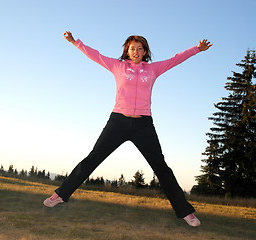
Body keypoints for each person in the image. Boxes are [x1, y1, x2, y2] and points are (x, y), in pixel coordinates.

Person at [44, 31, 212, 227]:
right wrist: (75, 42)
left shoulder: (153, 69)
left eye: (140, 48)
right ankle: (60, 195)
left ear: (145, 51)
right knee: (93, 158)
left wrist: (197, 49)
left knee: (161, 168)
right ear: (127, 50)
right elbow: (95, 55)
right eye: (133, 48)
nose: (136, 51)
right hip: (118, 122)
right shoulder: (117, 66)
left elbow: (176, 59)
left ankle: (185, 212)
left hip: (143, 124)